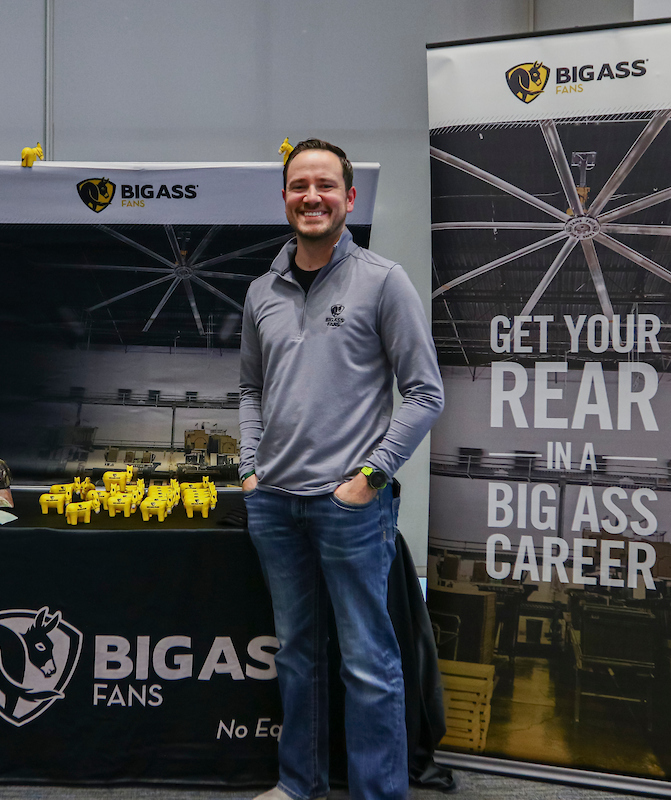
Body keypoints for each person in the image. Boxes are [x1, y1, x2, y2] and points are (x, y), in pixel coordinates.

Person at [239, 140, 444, 800]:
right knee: (295, 655)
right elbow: (250, 390)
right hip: (275, 503)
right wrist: (249, 471)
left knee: (368, 663)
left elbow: (425, 393)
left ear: (350, 199)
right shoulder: (260, 292)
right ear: (284, 198)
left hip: (349, 508)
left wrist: (370, 479)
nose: (312, 196)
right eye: (299, 185)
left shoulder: (383, 281)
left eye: (325, 185)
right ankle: (298, 785)